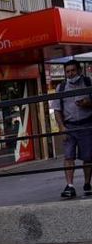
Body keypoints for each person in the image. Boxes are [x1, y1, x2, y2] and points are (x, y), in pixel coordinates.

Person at [50, 59, 92, 198]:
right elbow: (56, 110)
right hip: (69, 126)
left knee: (88, 157)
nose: (70, 74)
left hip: (86, 125)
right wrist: (61, 127)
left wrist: (88, 103)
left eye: (73, 70)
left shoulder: (88, 83)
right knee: (68, 156)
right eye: (67, 71)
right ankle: (70, 186)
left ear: (79, 70)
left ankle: (87, 183)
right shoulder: (61, 88)